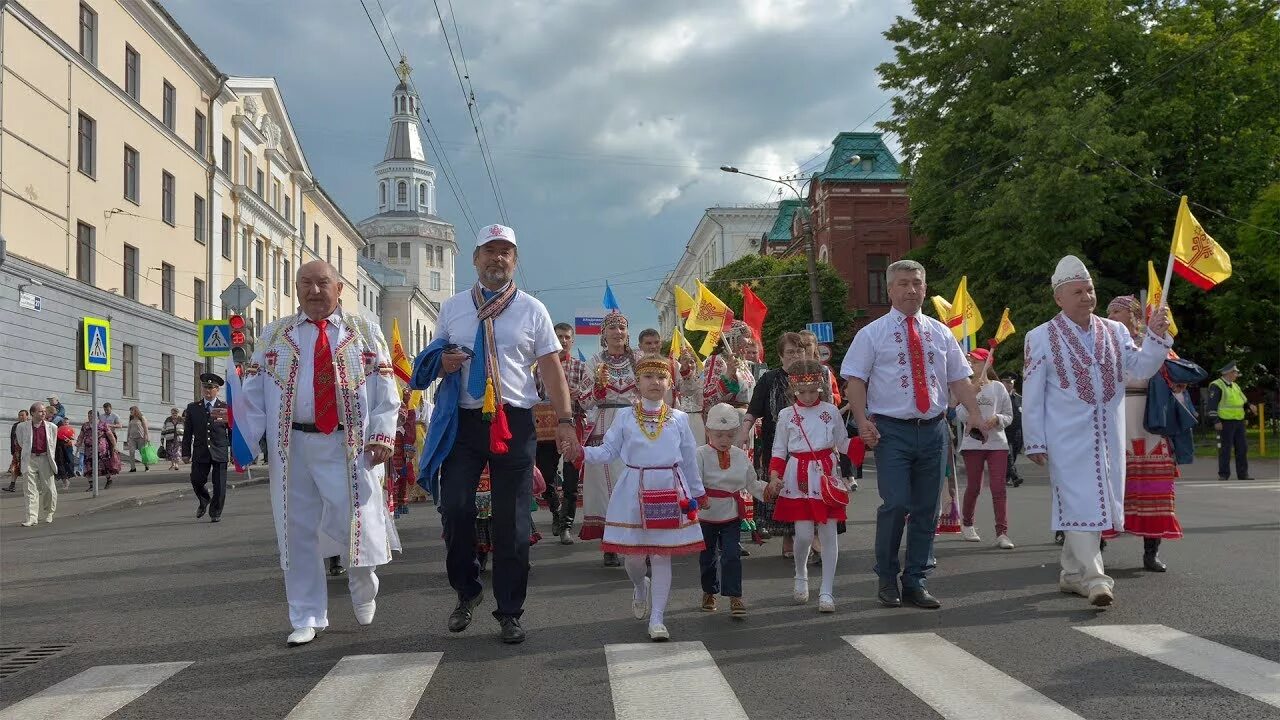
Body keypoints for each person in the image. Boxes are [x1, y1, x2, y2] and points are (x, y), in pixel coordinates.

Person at [239, 260, 404, 647]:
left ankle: (363, 582)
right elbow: (253, 392)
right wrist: (246, 435)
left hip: (350, 445)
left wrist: (382, 434)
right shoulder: (275, 334)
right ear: (297, 288)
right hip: (292, 447)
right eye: (306, 283)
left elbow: (387, 391)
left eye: (322, 283)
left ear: (339, 288)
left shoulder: (364, 331)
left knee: (357, 520)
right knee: (296, 531)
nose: (314, 291)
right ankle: (307, 614)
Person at [430, 224, 579, 645]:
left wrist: (565, 419)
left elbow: (550, 367)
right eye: (489, 251)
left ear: (515, 261)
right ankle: (467, 590)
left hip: (513, 423)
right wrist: (444, 361)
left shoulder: (532, 309)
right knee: (455, 508)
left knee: (512, 523)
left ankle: (510, 610)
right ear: (474, 258)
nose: (498, 258)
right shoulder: (454, 308)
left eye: (506, 252)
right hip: (463, 422)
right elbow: (434, 356)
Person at [1022, 256, 1171, 608]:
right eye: (1078, 291)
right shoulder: (1040, 336)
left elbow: (1142, 367)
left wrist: (1156, 335)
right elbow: (1032, 392)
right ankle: (1095, 578)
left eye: (1089, 289)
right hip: (1066, 437)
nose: (1086, 296)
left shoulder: (1115, 330)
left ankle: (1072, 573)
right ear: (1059, 298)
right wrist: (1035, 439)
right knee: (1081, 501)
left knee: (1092, 503)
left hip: (1108, 435)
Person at [841, 259, 986, 610]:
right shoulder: (871, 333)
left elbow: (958, 379)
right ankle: (887, 577)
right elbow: (855, 381)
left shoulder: (940, 332)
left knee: (927, 508)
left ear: (925, 288)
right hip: (892, 431)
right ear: (890, 290)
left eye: (917, 283)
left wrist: (977, 416)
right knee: (896, 504)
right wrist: (862, 420)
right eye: (903, 283)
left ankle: (916, 579)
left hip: (934, 430)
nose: (911, 289)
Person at [583, 355, 706, 641]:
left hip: (668, 489)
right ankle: (640, 586)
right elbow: (608, 452)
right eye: (648, 377)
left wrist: (698, 493)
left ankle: (658, 618)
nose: (655, 382)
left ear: (669, 383)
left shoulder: (679, 418)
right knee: (635, 559)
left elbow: (688, 460)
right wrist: (583, 452)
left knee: (662, 556)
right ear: (637, 383)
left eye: (661, 377)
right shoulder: (625, 416)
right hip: (633, 489)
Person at [1104, 295, 1188, 572]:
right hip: (1114, 417)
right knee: (1105, 483)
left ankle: (1150, 552)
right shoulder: (1103, 344)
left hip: (1149, 421)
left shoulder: (1152, 344)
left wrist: (1174, 381)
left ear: (1134, 316)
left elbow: (1179, 378)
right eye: (1109, 311)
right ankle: (1094, 548)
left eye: (1117, 310)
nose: (1111, 315)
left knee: (1155, 488)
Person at [762, 359, 852, 613]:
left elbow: (842, 443)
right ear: (794, 391)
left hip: (825, 476)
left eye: (814, 391)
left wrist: (866, 439)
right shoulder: (786, 415)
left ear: (821, 389)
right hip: (797, 477)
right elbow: (779, 449)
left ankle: (827, 591)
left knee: (828, 534)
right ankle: (800, 572)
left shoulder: (831, 411)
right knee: (802, 535)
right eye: (803, 392)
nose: (809, 396)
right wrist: (774, 475)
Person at [579, 309, 639, 566]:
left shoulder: (640, 359)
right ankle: (611, 544)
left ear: (627, 333)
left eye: (622, 328)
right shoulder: (593, 362)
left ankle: (639, 541)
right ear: (603, 334)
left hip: (635, 425)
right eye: (612, 328)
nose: (618, 332)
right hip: (604, 424)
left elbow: (655, 389)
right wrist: (598, 390)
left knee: (636, 481)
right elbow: (583, 400)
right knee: (606, 487)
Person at [742, 332, 809, 558]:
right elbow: (753, 410)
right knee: (786, 492)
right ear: (781, 356)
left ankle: (813, 538)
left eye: (799, 351)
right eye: (790, 352)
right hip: (778, 446)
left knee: (809, 493)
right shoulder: (769, 379)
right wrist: (744, 430)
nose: (796, 356)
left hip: (811, 447)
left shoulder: (814, 376)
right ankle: (789, 537)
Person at [698, 403, 764, 617]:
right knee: (707, 557)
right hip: (706, 515)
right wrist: (699, 498)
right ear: (708, 432)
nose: (724, 441)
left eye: (729, 436)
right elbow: (693, 482)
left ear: (736, 434)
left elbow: (752, 484)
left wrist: (770, 490)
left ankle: (735, 596)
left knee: (731, 554)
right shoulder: (700, 454)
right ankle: (709, 591)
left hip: (731, 513)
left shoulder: (740, 456)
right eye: (719, 435)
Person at [955, 348, 1015, 549]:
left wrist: (997, 419)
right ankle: (968, 524)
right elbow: (960, 415)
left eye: (976, 361)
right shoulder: (967, 386)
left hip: (997, 443)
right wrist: (972, 393)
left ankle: (1002, 533)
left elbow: (1009, 415)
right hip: (973, 443)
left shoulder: (998, 388)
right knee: (974, 486)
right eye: (970, 361)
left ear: (988, 363)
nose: (972, 365)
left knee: (999, 488)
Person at [534, 322, 587, 543]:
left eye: (567, 337)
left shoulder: (581, 367)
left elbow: (590, 398)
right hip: (546, 428)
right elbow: (534, 395)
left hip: (573, 426)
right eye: (559, 337)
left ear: (572, 341)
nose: (563, 340)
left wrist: (578, 395)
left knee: (571, 479)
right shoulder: (540, 367)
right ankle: (555, 511)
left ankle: (566, 526)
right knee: (546, 475)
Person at [183, 374, 230, 522]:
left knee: (220, 485)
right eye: (205, 387)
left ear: (217, 390)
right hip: (200, 451)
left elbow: (232, 431)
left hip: (220, 451)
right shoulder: (193, 408)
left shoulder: (223, 408)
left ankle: (215, 512)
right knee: (196, 480)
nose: (207, 390)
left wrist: (234, 452)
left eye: (210, 388)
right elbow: (188, 432)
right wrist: (185, 452)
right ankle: (204, 499)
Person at [15, 402, 58, 526]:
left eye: (44, 411)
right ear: (32, 413)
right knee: (30, 489)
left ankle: (49, 512)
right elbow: (21, 442)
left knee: (49, 488)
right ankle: (32, 517)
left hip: (45, 458)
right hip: (30, 459)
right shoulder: (22, 427)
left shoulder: (52, 427)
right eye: (40, 411)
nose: (43, 413)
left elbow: (52, 445)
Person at [1208, 361, 1252, 481]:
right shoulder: (1216, 385)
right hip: (1225, 422)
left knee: (1242, 448)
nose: (1237, 374)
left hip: (1239, 421)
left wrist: (1249, 406)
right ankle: (1223, 474)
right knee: (1225, 449)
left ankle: (1243, 474)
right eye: (1236, 372)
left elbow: (1243, 400)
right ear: (1229, 373)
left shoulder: (1235, 385)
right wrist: (1215, 420)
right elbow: (1211, 405)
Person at [80, 408, 119, 489]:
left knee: (103, 464)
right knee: (88, 465)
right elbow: (81, 435)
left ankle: (109, 480)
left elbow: (110, 435)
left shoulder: (103, 424)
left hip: (101, 449)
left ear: (97, 417)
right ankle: (91, 485)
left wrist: (114, 446)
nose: (90, 417)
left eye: (92, 416)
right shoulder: (85, 425)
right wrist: (78, 442)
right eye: (89, 416)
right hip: (88, 449)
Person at [1000, 371, 1024, 487]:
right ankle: (1014, 477)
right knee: (1008, 454)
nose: (1009, 384)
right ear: (1001, 383)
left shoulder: (1019, 398)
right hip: (1004, 431)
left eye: (1010, 382)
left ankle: (1007, 476)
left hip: (1017, 432)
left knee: (1013, 455)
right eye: (1006, 382)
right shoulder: (999, 398)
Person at [6, 410, 30, 493]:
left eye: (22, 415)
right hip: (17, 451)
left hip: (26, 451)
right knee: (14, 468)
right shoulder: (15, 425)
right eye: (19, 415)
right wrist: (12, 449)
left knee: (27, 470)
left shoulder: (30, 425)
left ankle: (32, 487)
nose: (20, 417)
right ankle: (12, 486)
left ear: (27, 416)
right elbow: (12, 439)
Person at [126, 406, 151, 472]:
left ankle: (146, 466)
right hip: (132, 438)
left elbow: (146, 428)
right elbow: (129, 429)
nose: (130, 412)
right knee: (131, 452)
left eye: (132, 411)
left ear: (136, 411)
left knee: (142, 453)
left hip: (141, 438)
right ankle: (133, 468)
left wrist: (147, 437)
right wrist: (127, 437)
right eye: (130, 411)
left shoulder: (142, 418)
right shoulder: (131, 418)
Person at [55, 419, 77, 488]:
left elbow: (72, 440)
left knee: (65, 463)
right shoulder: (59, 431)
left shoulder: (68, 430)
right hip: (59, 450)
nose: (65, 424)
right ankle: (65, 480)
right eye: (64, 423)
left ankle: (66, 478)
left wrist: (69, 441)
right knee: (60, 464)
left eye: (67, 422)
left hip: (64, 450)